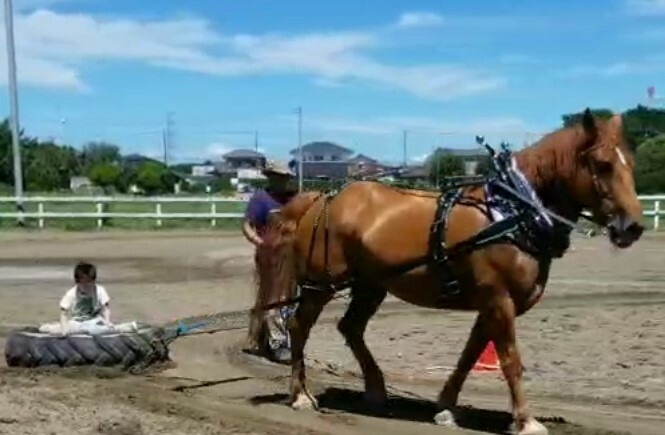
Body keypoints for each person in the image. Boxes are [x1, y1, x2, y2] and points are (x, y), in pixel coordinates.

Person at [242, 160, 297, 364]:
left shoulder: (295, 199)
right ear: (271, 177)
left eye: (285, 178)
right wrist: (259, 242)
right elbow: (248, 225)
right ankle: (278, 343)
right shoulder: (261, 199)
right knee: (275, 298)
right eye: (278, 177)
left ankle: (274, 337)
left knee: (291, 298)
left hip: (293, 255)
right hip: (270, 256)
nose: (282, 181)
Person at [59, 261, 111, 335]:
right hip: (76, 323)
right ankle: (44, 328)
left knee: (105, 328)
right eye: (83, 282)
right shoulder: (71, 293)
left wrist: (107, 322)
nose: (86, 285)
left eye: (89, 282)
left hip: (94, 321)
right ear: (77, 281)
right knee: (57, 330)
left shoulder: (100, 290)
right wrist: (64, 329)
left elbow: (105, 308)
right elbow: (63, 311)